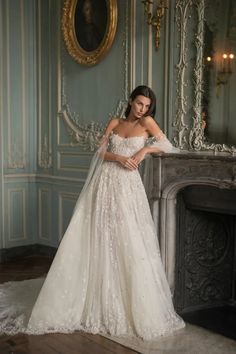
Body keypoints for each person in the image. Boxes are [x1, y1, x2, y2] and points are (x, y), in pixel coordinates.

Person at [0, 85, 184, 341]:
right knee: (97, 233)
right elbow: (99, 153)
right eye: (139, 103)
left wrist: (143, 151)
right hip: (105, 181)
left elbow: (167, 145)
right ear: (130, 101)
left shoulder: (148, 123)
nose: (142, 109)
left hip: (127, 187)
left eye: (147, 106)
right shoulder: (115, 122)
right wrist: (119, 158)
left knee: (126, 235)